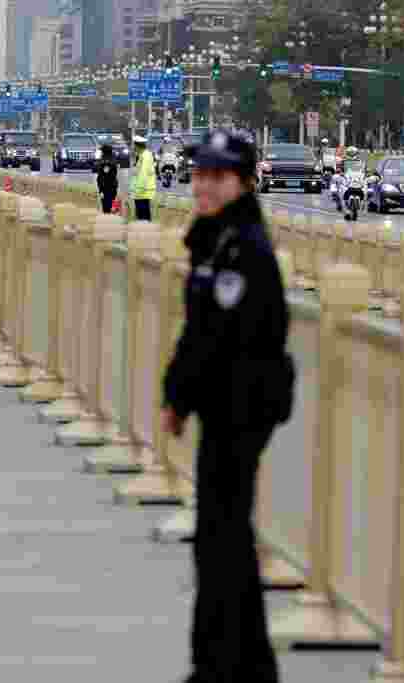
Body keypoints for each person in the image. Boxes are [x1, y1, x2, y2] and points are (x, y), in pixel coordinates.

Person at [162, 128, 293, 683]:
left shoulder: (243, 248)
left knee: (222, 537)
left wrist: (182, 394)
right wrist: (178, 396)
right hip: (222, 404)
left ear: (242, 182)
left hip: (243, 406)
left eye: (217, 177)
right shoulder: (215, 238)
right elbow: (197, 332)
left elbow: (219, 336)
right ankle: (241, 663)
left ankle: (223, 665)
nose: (204, 186)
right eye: (200, 175)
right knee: (222, 535)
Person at [129, 135, 156, 221]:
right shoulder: (144, 155)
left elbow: (143, 174)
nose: (133, 148)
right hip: (143, 190)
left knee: (142, 215)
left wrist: (138, 189)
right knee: (143, 214)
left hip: (142, 190)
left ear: (137, 146)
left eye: (134, 146)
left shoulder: (145, 156)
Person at [95, 144, 119, 214]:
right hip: (112, 187)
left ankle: (109, 220)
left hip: (106, 188)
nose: (101, 153)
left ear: (105, 152)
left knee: (106, 207)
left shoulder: (106, 162)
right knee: (111, 205)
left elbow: (104, 176)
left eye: (102, 151)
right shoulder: (112, 160)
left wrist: (101, 189)